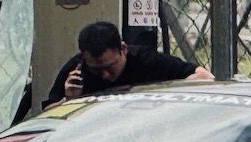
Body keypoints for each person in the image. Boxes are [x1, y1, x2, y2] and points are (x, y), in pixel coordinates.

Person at [44, 21, 213, 108]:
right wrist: (69, 99)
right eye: (96, 70)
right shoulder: (76, 69)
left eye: (109, 66)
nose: (105, 75)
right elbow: (47, 113)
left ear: (123, 49)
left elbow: (205, 77)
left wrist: (160, 94)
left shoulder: (146, 61)